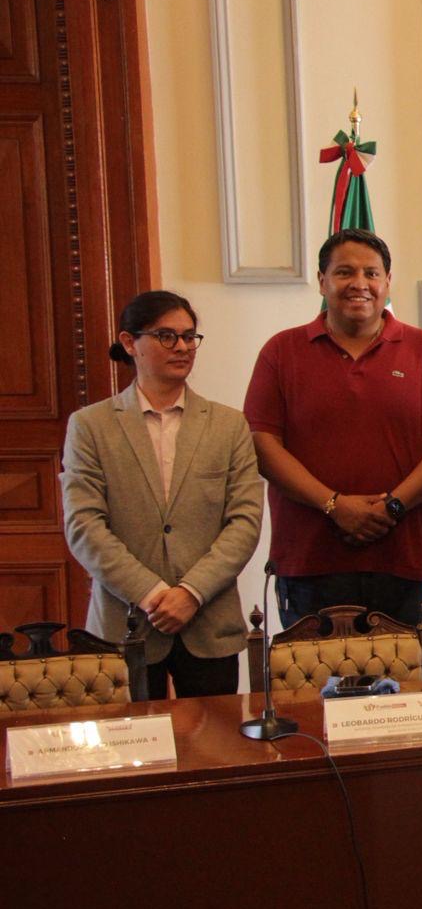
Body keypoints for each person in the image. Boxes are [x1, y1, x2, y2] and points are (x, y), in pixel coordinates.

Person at [243, 230, 422, 628]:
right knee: (316, 672)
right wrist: (334, 505)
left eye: (371, 273)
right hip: (311, 562)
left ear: (387, 281)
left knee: (413, 671)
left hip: (409, 562)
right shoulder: (281, 352)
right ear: (322, 281)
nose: (359, 283)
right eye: (344, 272)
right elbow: (261, 444)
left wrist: (392, 507)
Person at [61, 291, 262, 698]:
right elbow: (84, 526)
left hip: (209, 623)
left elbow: (245, 522)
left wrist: (191, 593)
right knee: (131, 740)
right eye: (166, 336)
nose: (183, 347)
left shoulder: (228, 425)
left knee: (216, 738)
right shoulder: (90, 426)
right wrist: (152, 595)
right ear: (129, 342)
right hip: (126, 623)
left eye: (189, 337)